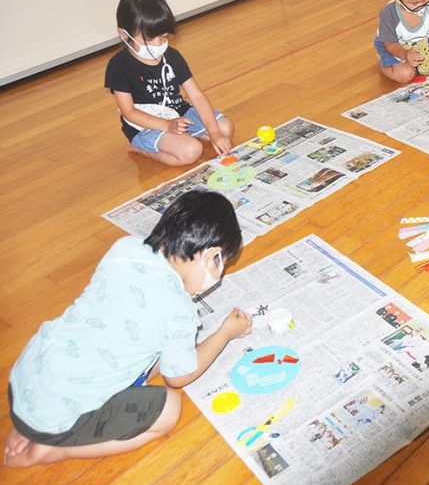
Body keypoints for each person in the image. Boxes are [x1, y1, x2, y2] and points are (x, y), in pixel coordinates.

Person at [4, 191, 252, 468]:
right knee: (170, 409)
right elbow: (178, 377)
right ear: (210, 257)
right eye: (221, 265)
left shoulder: (125, 247)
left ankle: (30, 425)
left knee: (144, 351)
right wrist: (225, 333)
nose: (220, 275)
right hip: (57, 417)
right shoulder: (178, 310)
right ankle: (54, 450)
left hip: (25, 381)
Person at [105, 0, 234, 166]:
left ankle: (183, 136)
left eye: (164, 36)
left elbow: (196, 96)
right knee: (191, 151)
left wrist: (215, 133)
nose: (159, 43)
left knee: (225, 129)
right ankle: (141, 148)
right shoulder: (119, 66)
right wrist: (167, 125)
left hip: (178, 113)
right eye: (150, 38)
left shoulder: (172, 56)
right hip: (146, 124)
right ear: (124, 34)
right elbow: (129, 112)